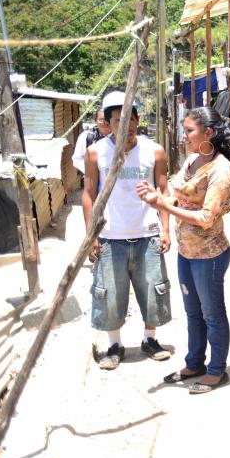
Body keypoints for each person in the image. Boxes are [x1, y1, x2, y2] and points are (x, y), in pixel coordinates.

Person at [137, 107, 230, 395]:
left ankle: (218, 371)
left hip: (210, 255)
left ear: (209, 133)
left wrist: (163, 205)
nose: (185, 135)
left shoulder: (221, 169)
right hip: (187, 252)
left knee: (212, 314)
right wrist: (158, 198)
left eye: (190, 130)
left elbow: (207, 218)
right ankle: (195, 363)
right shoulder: (193, 159)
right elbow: (176, 194)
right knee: (193, 313)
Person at [83, 92, 172, 370]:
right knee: (109, 293)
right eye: (118, 121)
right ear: (108, 123)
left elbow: (163, 190)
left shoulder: (154, 151)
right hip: (111, 237)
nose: (126, 126)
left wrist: (166, 229)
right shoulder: (96, 152)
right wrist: (91, 236)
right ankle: (114, 345)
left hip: (147, 234)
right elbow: (87, 194)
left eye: (130, 120)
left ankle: (149, 340)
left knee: (152, 290)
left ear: (137, 120)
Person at [72, 109, 111, 174]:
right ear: (96, 121)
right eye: (101, 119)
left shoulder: (120, 137)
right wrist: (91, 171)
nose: (105, 122)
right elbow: (77, 159)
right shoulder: (86, 136)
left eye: (108, 119)